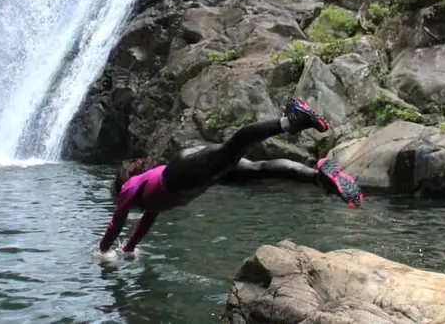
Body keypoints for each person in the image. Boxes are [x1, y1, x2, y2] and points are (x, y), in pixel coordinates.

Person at [97, 99, 364, 256]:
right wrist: (128, 249)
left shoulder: (131, 186)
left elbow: (116, 223)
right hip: (201, 181)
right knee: (258, 171)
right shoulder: (150, 204)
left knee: (233, 148)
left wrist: (102, 251)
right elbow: (143, 225)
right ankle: (319, 179)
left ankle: (290, 120)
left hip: (183, 172)